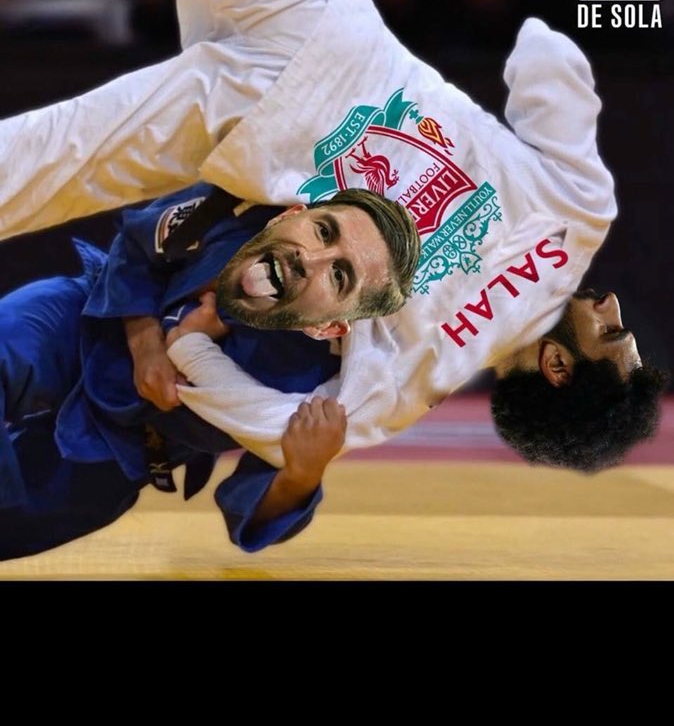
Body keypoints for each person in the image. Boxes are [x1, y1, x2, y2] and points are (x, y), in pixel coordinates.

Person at [0, 0, 666, 478]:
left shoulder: (582, 212)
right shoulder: (417, 379)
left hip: (322, 29)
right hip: (256, 126)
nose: (612, 306)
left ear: (557, 365)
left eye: (611, 333)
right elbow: (274, 430)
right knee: (33, 164)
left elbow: (542, 57)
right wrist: (190, 347)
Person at [0, 178, 420, 560]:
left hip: (130, 449)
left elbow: (250, 511)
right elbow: (136, 245)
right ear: (291, 215)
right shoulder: (236, 205)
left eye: (339, 275)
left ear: (327, 327)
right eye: (324, 232)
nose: (308, 259)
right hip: (84, 320)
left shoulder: (319, 386)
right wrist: (146, 342)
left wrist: (303, 472)